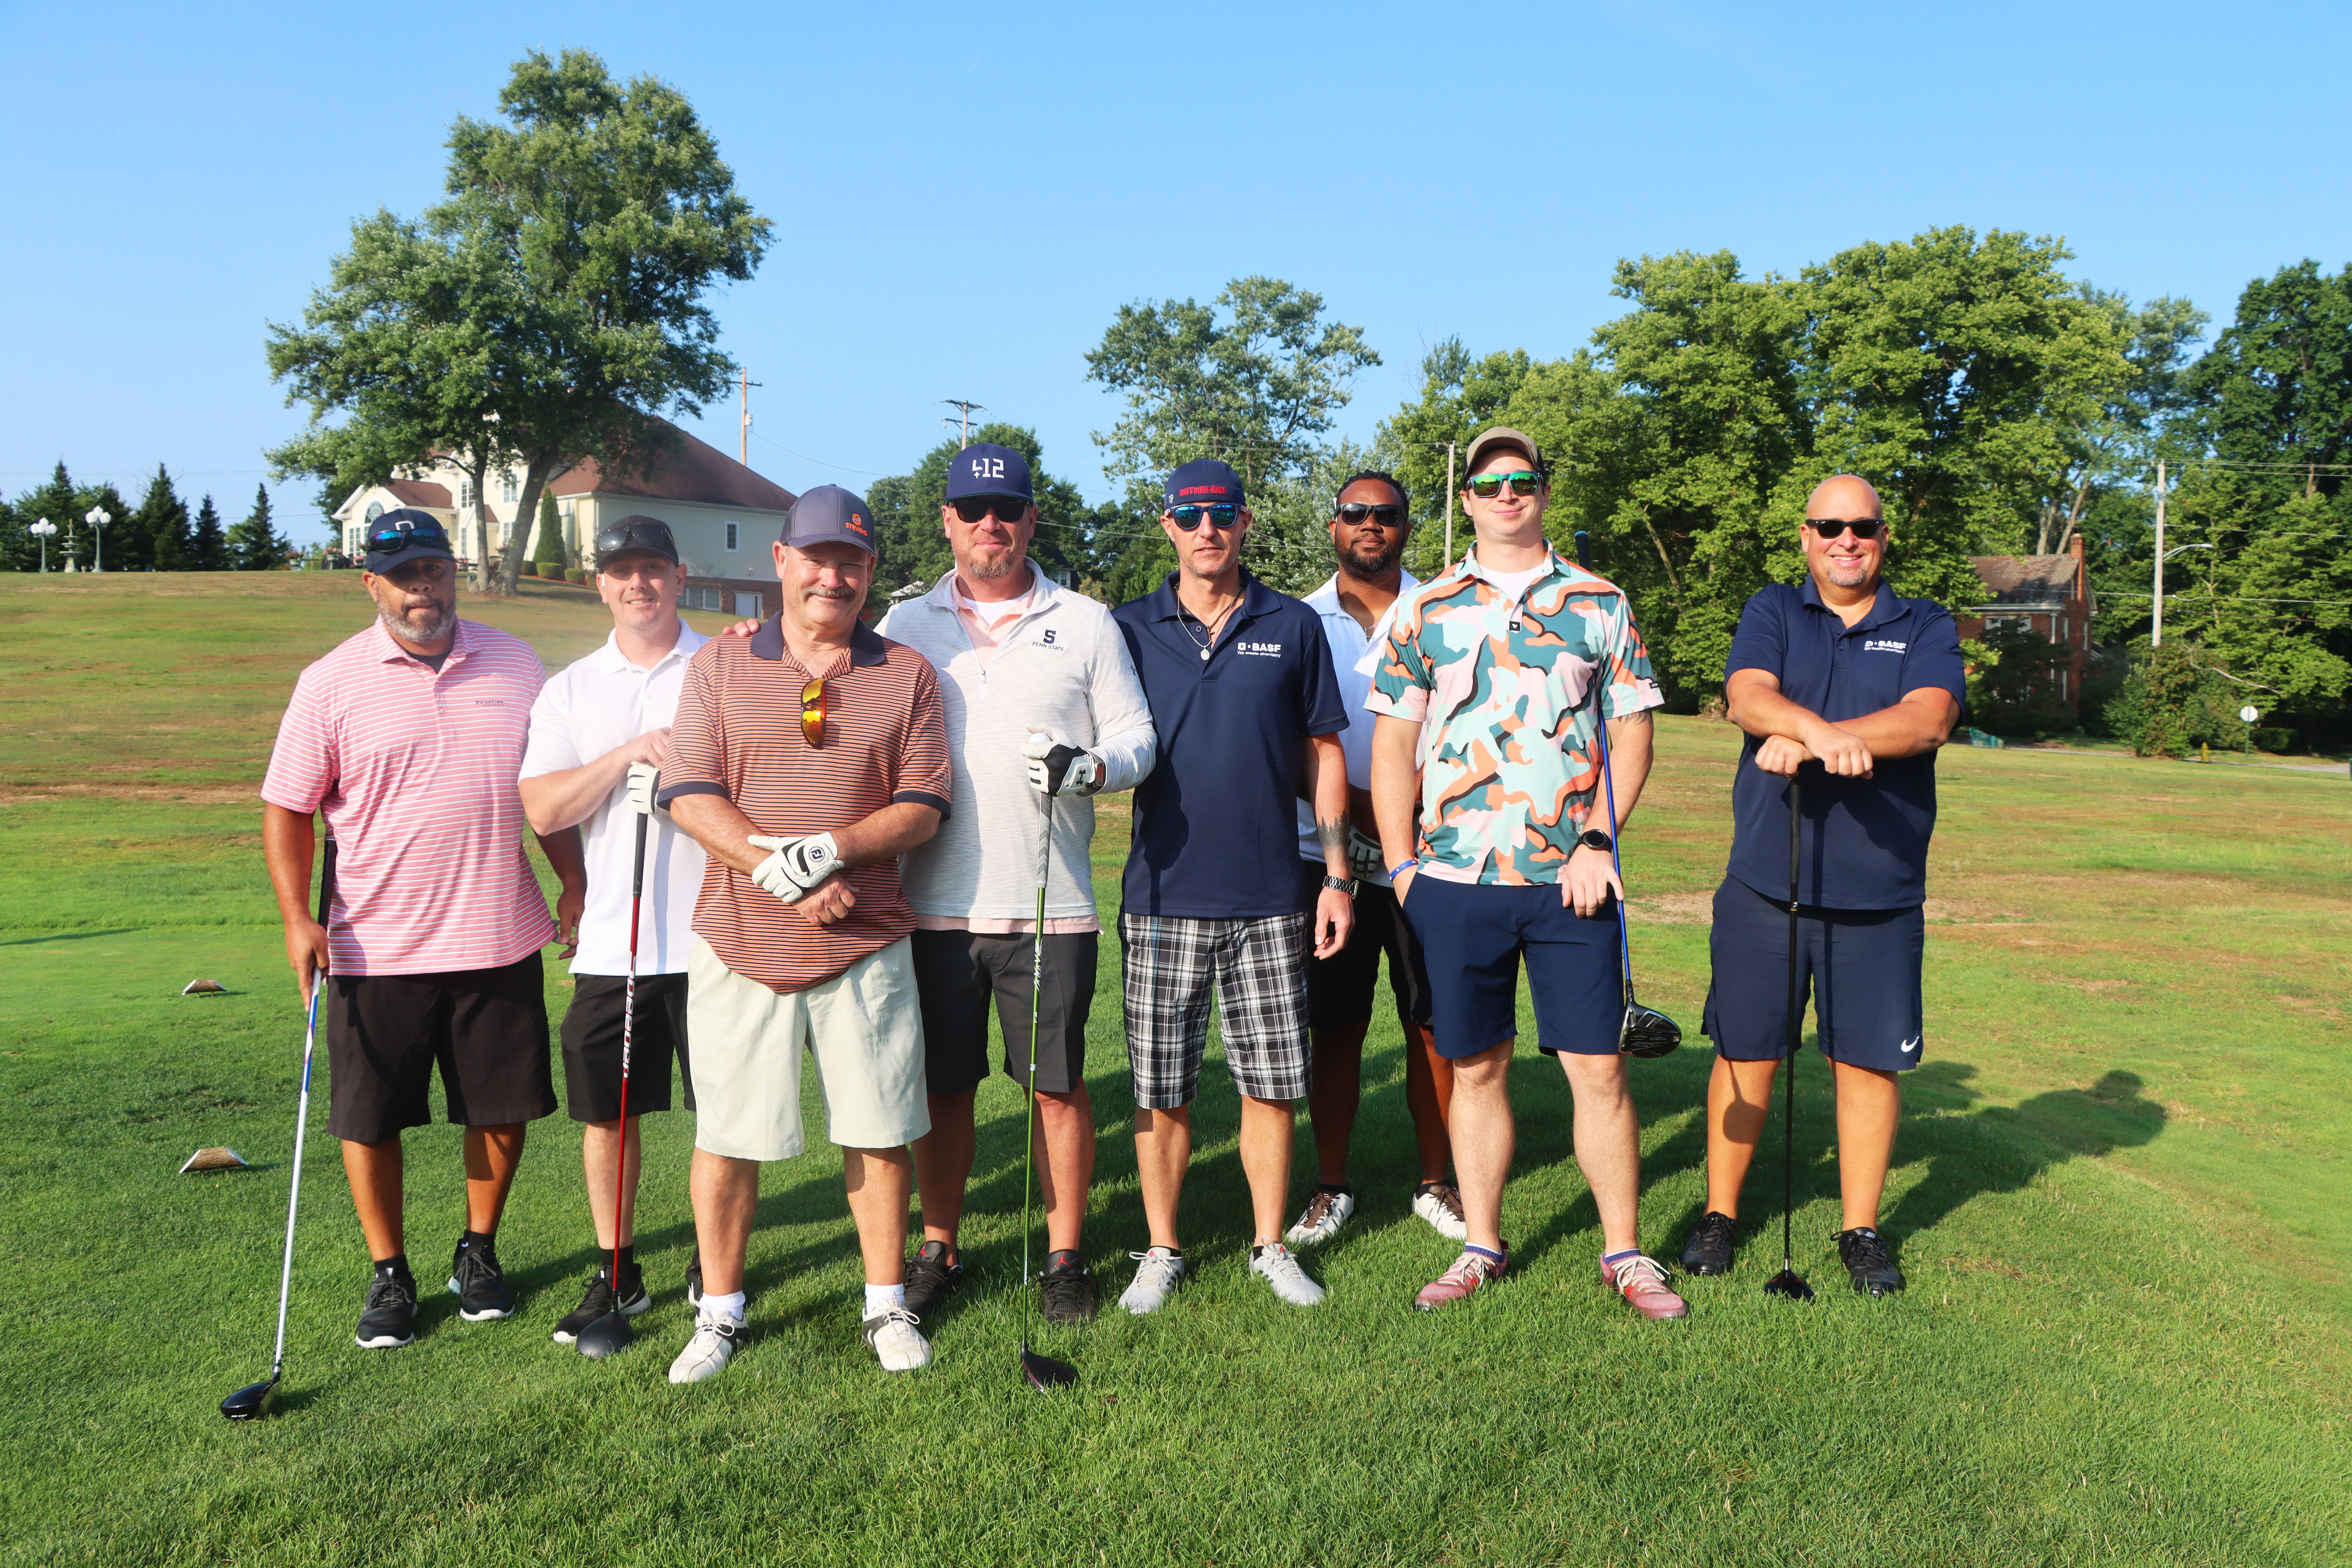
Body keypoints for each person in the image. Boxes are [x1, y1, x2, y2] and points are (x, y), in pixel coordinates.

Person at [1367, 427, 1688, 1321]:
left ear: (1544, 491)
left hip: (1570, 882)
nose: (1508, 494)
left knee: (1599, 1071)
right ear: (1465, 500)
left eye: (1524, 480)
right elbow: (1393, 743)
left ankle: (1624, 1253)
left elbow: (1634, 730)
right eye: (1490, 483)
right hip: (1456, 884)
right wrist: (1402, 869)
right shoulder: (1425, 610)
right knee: (1475, 1069)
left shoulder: (1598, 601)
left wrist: (1597, 838)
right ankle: (1482, 1246)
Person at [260, 507, 585, 1350]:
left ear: (455, 573)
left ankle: (477, 1252)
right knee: (371, 1119)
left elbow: (542, 792)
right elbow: (289, 806)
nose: (421, 590)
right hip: (374, 943)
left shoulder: (515, 663)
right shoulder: (328, 683)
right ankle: (389, 1273)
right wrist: (299, 917)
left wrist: (575, 881)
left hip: (498, 933)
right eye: (403, 577)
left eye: (434, 571)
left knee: (503, 1108)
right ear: (372, 584)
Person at [656, 485, 951, 1382]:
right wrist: (773, 870)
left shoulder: (905, 673)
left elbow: (923, 807)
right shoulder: (719, 665)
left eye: (853, 560)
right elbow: (687, 791)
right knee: (729, 1137)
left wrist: (826, 854)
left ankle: (886, 1304)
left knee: (879, 1131)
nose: (835, 574)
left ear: (871, 572)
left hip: (865, 941)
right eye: (817, 557)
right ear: (780, 564)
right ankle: (720, 1312)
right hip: (740, 939)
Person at [873, 443, 1156, 1327]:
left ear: (1032, 519)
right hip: (931, 908)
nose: (989, 526)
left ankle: (1066, 1253)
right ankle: (940, 1243)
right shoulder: (902, 623)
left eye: (1008, 511)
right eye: (972, 511)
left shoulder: (1085, 619)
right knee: (943, 1090)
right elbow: (828, 691)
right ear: (948, 522)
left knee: (1057, 1089)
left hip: (1051, 904)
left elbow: (1139, 739)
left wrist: (1092, 768)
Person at [1679, 473, 1963, 1296]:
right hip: (1768, 884)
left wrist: (1807, 741)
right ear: (1805, 535)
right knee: (1745, 1051)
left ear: (1883, 537)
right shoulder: (1772, 609)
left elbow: (1929, 718)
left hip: (1880, 895)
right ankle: (1721, 1215)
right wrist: (1809, 733)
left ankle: (1861, 1231)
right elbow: (1747, 696)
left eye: (1863, 528)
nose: (1847, 541)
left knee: (1867, 1064)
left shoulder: (1925, 622)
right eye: (1830, 526)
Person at [1110, 458, 1356, 1315]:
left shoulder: (1291, 624)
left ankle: (1269, 1243)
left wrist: (1335, 875)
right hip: (1163, 894)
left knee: (1271, 1081)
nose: (1207, 529)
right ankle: (1162, 1248)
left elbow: (1326, 751)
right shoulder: (1127, 626)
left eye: (1222, 514)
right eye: (1191, 515)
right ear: (1168, 526)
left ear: (1244, 523)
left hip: (1270, 895)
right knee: (1161, 1086)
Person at [518, 516, 710, 1341]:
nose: (639, 583)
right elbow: (544, 807)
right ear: (601, 583)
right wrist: (628, 756)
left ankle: (716, 1258)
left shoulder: (725, 665)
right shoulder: (570, 688)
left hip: (714, 938)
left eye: (653, 568)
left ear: (680, 575)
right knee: (609, 1116)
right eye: (622, 570)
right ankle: (617, 1270)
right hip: (612, 943)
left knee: (724, 1114)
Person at [1281, 471, 1463, 1249]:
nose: (1370, 526)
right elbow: (1283, 737)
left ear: (1407, 529)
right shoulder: (1296, 619)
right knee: (1338, 1025)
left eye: (1385, 516)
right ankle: (1331, 1184)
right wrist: (1357, 814)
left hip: (1427, 854)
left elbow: (1463, 726)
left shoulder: (1445, 611)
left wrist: (1399, 811)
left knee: (1432, 1024)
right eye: (1356, 513)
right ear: (1333, 526)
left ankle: (1438, 1180)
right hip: (1324, 859)